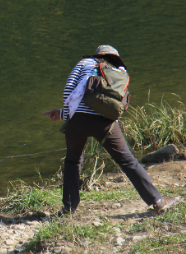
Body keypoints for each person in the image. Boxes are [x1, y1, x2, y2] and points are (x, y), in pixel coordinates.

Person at [42, 45, 178, 215]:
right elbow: (117, 102)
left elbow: (69, 91)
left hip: (77, 121)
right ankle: (157, 201)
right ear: (115, 58)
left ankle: (69, 208)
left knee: (73, 161)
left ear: (97, 55)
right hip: (106, 122)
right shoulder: (118, 71)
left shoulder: (84, 63)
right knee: (127, 161)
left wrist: (66, 116)